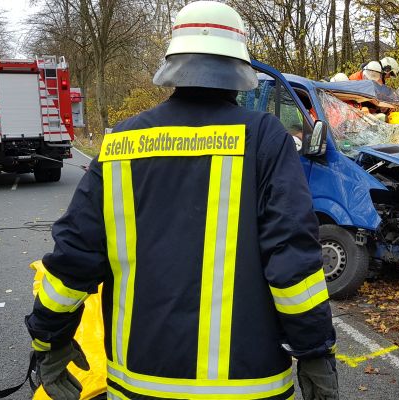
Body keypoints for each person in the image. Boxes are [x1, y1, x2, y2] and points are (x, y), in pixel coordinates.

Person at [24, 2, 338, 400]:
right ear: (239, 70)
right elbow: (292, 260)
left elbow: (75, 255)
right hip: (247, 385)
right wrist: (314, 352)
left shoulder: (122, 142)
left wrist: (49, 338)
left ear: (173, 65)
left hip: (138, 383)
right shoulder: (264, 137)